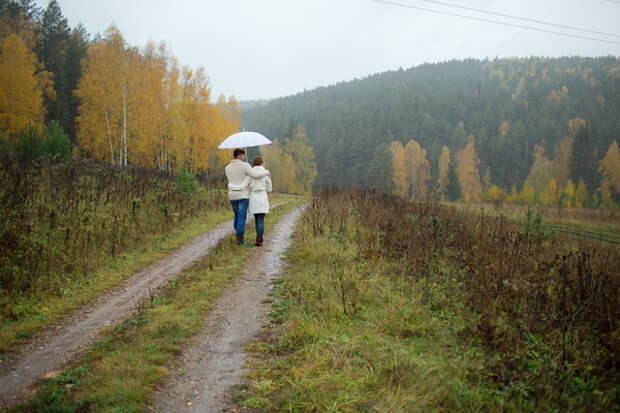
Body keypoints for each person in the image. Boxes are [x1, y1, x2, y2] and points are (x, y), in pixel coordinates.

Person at [225, 149, 270, 245]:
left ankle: (238, 235)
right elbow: (256, 175)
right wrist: (266, 172)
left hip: (232, 195)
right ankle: (240, 240)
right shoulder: (245, 165)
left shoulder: (227, 167)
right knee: (242, 217)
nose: (244, 157)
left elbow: (232, 180)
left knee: (236, 216)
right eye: (244, 156)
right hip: (243, 196)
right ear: (240, 156)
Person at [247, 156, 272, 247]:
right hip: (262, 196)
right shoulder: (265, 173)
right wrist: (269, 179)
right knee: (261, 219)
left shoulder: (250, 173)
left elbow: (247, 185)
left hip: (253, 197)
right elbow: (269, 189)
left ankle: (259, 237)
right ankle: (259, 238)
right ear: (262, 163)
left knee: (257, 218)